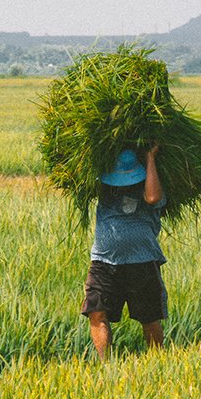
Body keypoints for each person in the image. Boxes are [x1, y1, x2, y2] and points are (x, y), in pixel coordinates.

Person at [81, 144, 167, 360]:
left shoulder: (152, 185)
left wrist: (150, 159)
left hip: (143, 261)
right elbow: (80, 178)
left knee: (149, 317)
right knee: (96, 311)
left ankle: (158, 361)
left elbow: (153, 198)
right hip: (103, 261)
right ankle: (105, 364)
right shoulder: (105, 189)